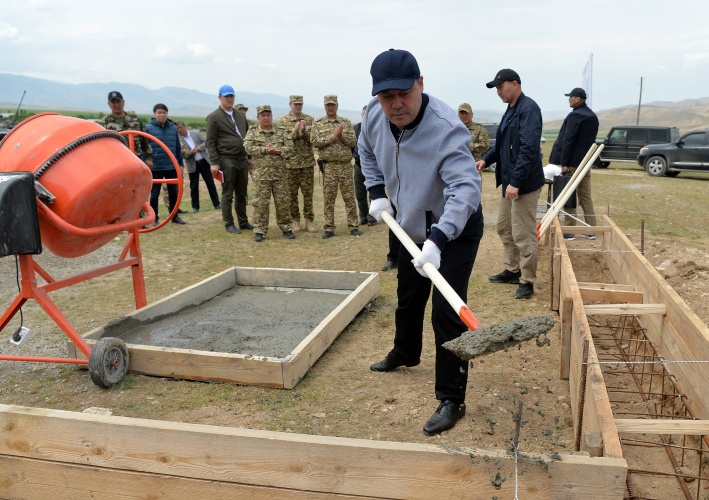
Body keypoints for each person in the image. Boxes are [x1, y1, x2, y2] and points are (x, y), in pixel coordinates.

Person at [360, 49, 483, 436]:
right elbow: (364, 149)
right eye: (387, 97)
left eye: (404, 94)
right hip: (408, 224)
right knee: (409, 294)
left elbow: (465, 189)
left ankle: (451, 397)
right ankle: (405, 352)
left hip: (454, 231)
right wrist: (377, 190)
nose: (396, 105)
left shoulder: (446, 127)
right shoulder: (373, 115)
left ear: (421, 84)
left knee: (446, 311)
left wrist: (440, 238)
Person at [477, 69, 545, 300]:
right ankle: (512, 270)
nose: (498, 92)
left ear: (515, 84)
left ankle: (527, 281)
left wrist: (515, 182)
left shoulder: (529, 109)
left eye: (500, 87)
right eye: (496, 88)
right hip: (510, 182)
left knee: (524, 234)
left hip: (523, 184)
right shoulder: (511, 110)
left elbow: (528, 149)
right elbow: (503, 145)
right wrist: (486, 159)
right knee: (505, 227)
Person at [549, 87, 599, 239]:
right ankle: (592, 230)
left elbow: (568, 140)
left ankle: (569, 231)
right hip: (585, 161)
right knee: (585, 196)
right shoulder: (592, 116)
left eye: (570, 97)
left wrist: (564, 162)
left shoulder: (575, 116)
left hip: (572, 162)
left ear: (577, 99)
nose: (569, 99)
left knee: (568, 195)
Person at [310, 95, 361, 239]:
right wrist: (333, 136)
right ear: (325, 107)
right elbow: (315, 141)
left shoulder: (345, 122)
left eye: (333, 105)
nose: (330, 107)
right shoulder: (318, 123)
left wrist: (341, 135)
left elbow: (352, 142)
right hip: (329, 166)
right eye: (328, 105)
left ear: (337, 106)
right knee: (329, 198)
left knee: (349, 197)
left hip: (345, 166)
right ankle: (329, 228)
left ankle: (353, 226)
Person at [205, 84, 253, 234]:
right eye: (226, 96)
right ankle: (229, 223)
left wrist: (249, 157)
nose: (229, 99)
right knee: (227, 193)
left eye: (231, 96)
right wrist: (214, 162)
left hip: (242, 159)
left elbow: (247, 137)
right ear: (220, 97)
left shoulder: (240, 115)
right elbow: (210, 142)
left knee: (242, 193)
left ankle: (243, 222)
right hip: (226, 159)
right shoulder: (214, 117)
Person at [243, 105, 295, 242]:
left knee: (283, 202)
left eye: (268, 115)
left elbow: (290, 148)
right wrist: (265, 149)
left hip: (280, 175)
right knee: (260, 203)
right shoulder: (253, 131)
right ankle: (260, 230)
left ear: (272, 116)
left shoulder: (281, 131)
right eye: (263, 115)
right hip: (261, 175)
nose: (266, 118)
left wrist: (278, 151)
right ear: (258, 118)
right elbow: (247, 147)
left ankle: (286, 228)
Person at [278, 95, 317, 233]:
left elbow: (314, 139)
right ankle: (295, 220)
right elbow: (282, 140)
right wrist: (294, 131)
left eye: (300, 104)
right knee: (291, 194)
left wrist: (305, 130)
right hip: (290, 164)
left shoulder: (309, 120)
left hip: (306, 163)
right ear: (290, 104)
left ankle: (309, 220)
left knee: (308, 194)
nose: (298, 106)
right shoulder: (283, 121)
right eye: (295, 104)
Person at [144, 103, 186, 225]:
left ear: (167, 114)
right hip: (156, 166)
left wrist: (180, 163)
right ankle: (154, 217)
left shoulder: (172, 128)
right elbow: (144, 147)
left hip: (171, 166)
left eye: (164, 112)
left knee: (173, 192)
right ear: (154, 114)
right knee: (155, 193)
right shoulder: (148, 128)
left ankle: (174, 215)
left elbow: (178, 147)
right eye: (159, 112)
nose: (162, 115)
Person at [176, 121, 221, 213]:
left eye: (180, 127)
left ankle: (216, 203)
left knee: (210, 183)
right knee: (194, 186)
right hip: (192, 164)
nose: (179, 130)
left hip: (204, 161)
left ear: (184, 126)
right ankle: (195, 207)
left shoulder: (196, 133)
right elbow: (185, 154)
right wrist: (193, 151)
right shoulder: (178, 140)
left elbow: (206, 143)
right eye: (177, 129)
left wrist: (199, 148)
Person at [102, 91, 152, 167]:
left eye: (119, 102)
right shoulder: (104, 123)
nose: (117, 105)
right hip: (115, 162)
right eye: (113, 102)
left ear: (123, 102)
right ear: (109, 104)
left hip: (136, 160)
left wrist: (149, 158)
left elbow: (144, 139)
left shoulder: (135, 119)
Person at [352, 105, 377, 227]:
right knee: (360, 193)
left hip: (373, 167)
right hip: (358, 166)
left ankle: (372, 218)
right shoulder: (356, 128)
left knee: (374, 191)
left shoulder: (377, 129)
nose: (364, 118)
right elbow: (351, 145)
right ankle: (363, 217)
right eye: (363, 116)